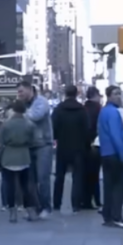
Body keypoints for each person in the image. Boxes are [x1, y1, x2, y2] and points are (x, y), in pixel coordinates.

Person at [0, 100, 41, 223]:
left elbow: (1, 141)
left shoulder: (5, 125)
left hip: (8, 156)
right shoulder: (29, 125)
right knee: (26, 186)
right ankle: (30, 210)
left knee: (10, 186)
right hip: (24, 155)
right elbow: (34, 141)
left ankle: (12, 212)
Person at [51, 85, 90, 213]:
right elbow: (87, 129)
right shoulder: (82, 110)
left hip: (63, 146)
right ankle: (76, 204)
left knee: (59, 177)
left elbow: (53, 127)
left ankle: (57, 203)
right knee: (77, 177)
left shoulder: (59, 109)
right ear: (76, 94)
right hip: (78, 147)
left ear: (65, 94)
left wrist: (57, 137)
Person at [18, 81, 53, 218]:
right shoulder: (24, 105)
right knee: (30, 180)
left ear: (29, 89)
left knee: (42, 177)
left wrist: (20, 114)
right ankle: (35, 207)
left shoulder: (41, 102)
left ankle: (46, 207)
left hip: (43, 144)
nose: (19, 95)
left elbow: (35, 116)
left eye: (21, 91)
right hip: (29, 145)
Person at [98, 86, 123, 228]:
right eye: (115, 94)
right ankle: (116, 216)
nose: (118, 96)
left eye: (119, 94)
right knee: (118, 187)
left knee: (109, 186)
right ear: (109, 96)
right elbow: (116, 135)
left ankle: (108, 215)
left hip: (106, 153)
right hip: (115, 154)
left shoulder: (104, 112)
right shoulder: (113, 113)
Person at [82, 87, 103, 210]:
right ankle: (96, 200)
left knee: (85, 175)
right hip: (95, 144)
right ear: (95, 95)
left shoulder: (83, 108)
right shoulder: (98, 109)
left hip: (84, 145)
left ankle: (85, 200)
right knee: (94, 175)